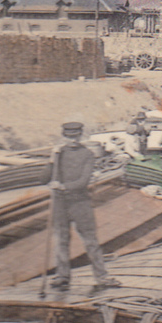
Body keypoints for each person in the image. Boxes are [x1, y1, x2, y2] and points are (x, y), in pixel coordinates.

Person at [49, 122, 121, 290]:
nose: (72, 141)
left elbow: (83, 181)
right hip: (60, 203)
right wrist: (51, 161)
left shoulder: (87, 154)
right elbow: (44, 178)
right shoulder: (58, 154)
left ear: (80, 136)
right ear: (63, 137)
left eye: (75, 137)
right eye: (68, 137)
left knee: (90, 241)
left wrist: (63, 186)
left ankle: (102, 277)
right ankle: (62, 276)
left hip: (80, 203)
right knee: (61, 240)